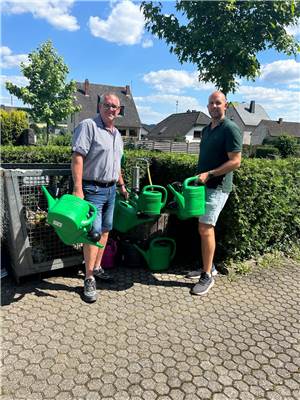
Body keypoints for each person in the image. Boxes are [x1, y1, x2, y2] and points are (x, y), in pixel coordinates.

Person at [71, 92, 128, 302]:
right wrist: (78, 189)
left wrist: (122, 186)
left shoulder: (117, 134)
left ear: (119, 110)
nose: (111, 109)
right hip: (92, 189)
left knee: (105, 230)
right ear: (100, 106)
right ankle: (88, 278)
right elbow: (77, 157)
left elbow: (117, 163)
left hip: (112, 189)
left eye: (115, 107)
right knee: (92, 234)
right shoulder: (89, 126)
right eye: (107, 105)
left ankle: (97, 267)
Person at [188, 91, 242, 296]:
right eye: (211, 103)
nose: (214, 106)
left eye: (218, 103)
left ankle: (207, 276)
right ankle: (208, 267)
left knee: (205, 227)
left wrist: (210, 174)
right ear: (207, 106)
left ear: (225, 105)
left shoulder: (230, 129)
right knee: (202, 228)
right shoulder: (206, 129)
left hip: (218, 187)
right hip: (203, 186)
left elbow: (236, 161)